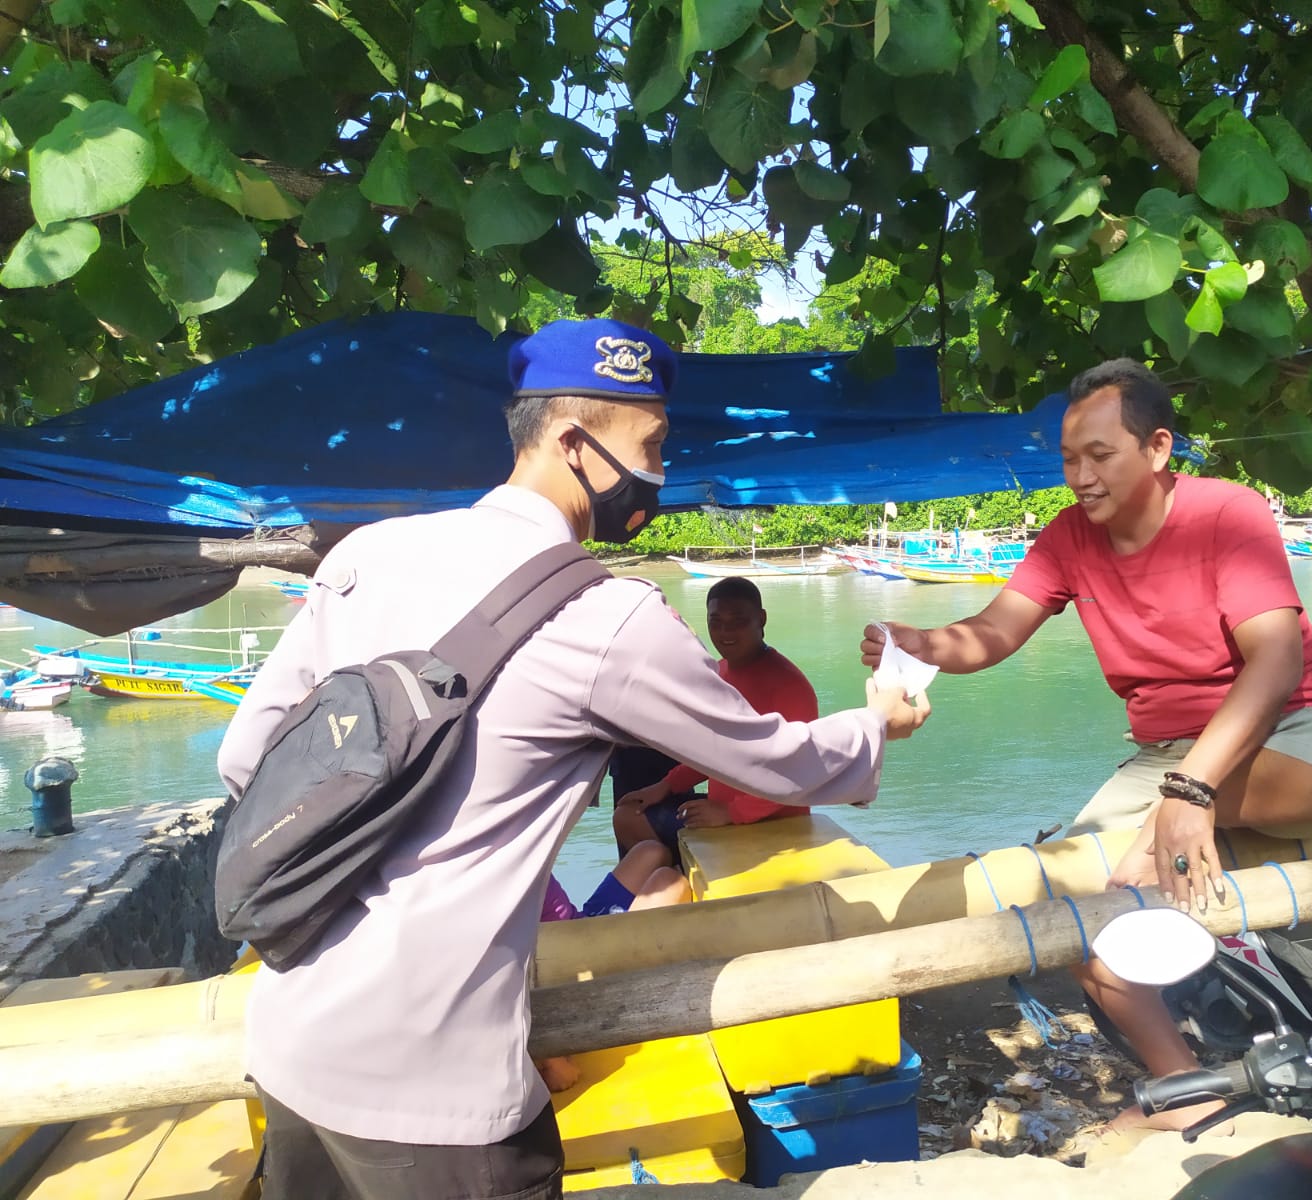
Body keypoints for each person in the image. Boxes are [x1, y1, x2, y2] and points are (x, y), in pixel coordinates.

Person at [219, 317, 931, 1200]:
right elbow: (773, 761)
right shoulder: (607, 616)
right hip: (437, 1092)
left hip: (293, 1043)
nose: (658, 474)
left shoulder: (368, 555)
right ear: (573, 442)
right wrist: (876, 725)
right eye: (652, 445)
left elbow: (248, 759)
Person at [860, 358, 1312, 1134]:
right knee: (1075, 914)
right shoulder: (1069, 537)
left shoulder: (1226, 511)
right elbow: (996, 631)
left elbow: (1275, 663)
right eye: (1070, 459)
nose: (1080, 475)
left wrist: (1188, 797)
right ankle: (1187, 1088)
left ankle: (1174, 835)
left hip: (1296, 726)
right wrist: (918, 642)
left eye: (1099, 455)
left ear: (1158, 449)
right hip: (1169, 758)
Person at [614, 576, 820, 852]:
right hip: (720, 812)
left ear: (761, 619)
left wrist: (730, 814)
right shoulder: (719, 673)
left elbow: (800, 772)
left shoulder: (790, 686)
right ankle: (670, 882)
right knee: (628, 814)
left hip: (769, 822)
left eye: (738, 621)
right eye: (716, 621)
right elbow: (712, 751)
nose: (726, 632)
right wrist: (664, 787)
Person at [535, 842, 694, 1095]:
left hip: (582, 925)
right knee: (673, 882)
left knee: (652, 851)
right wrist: (551, 1058)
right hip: (586, 970)